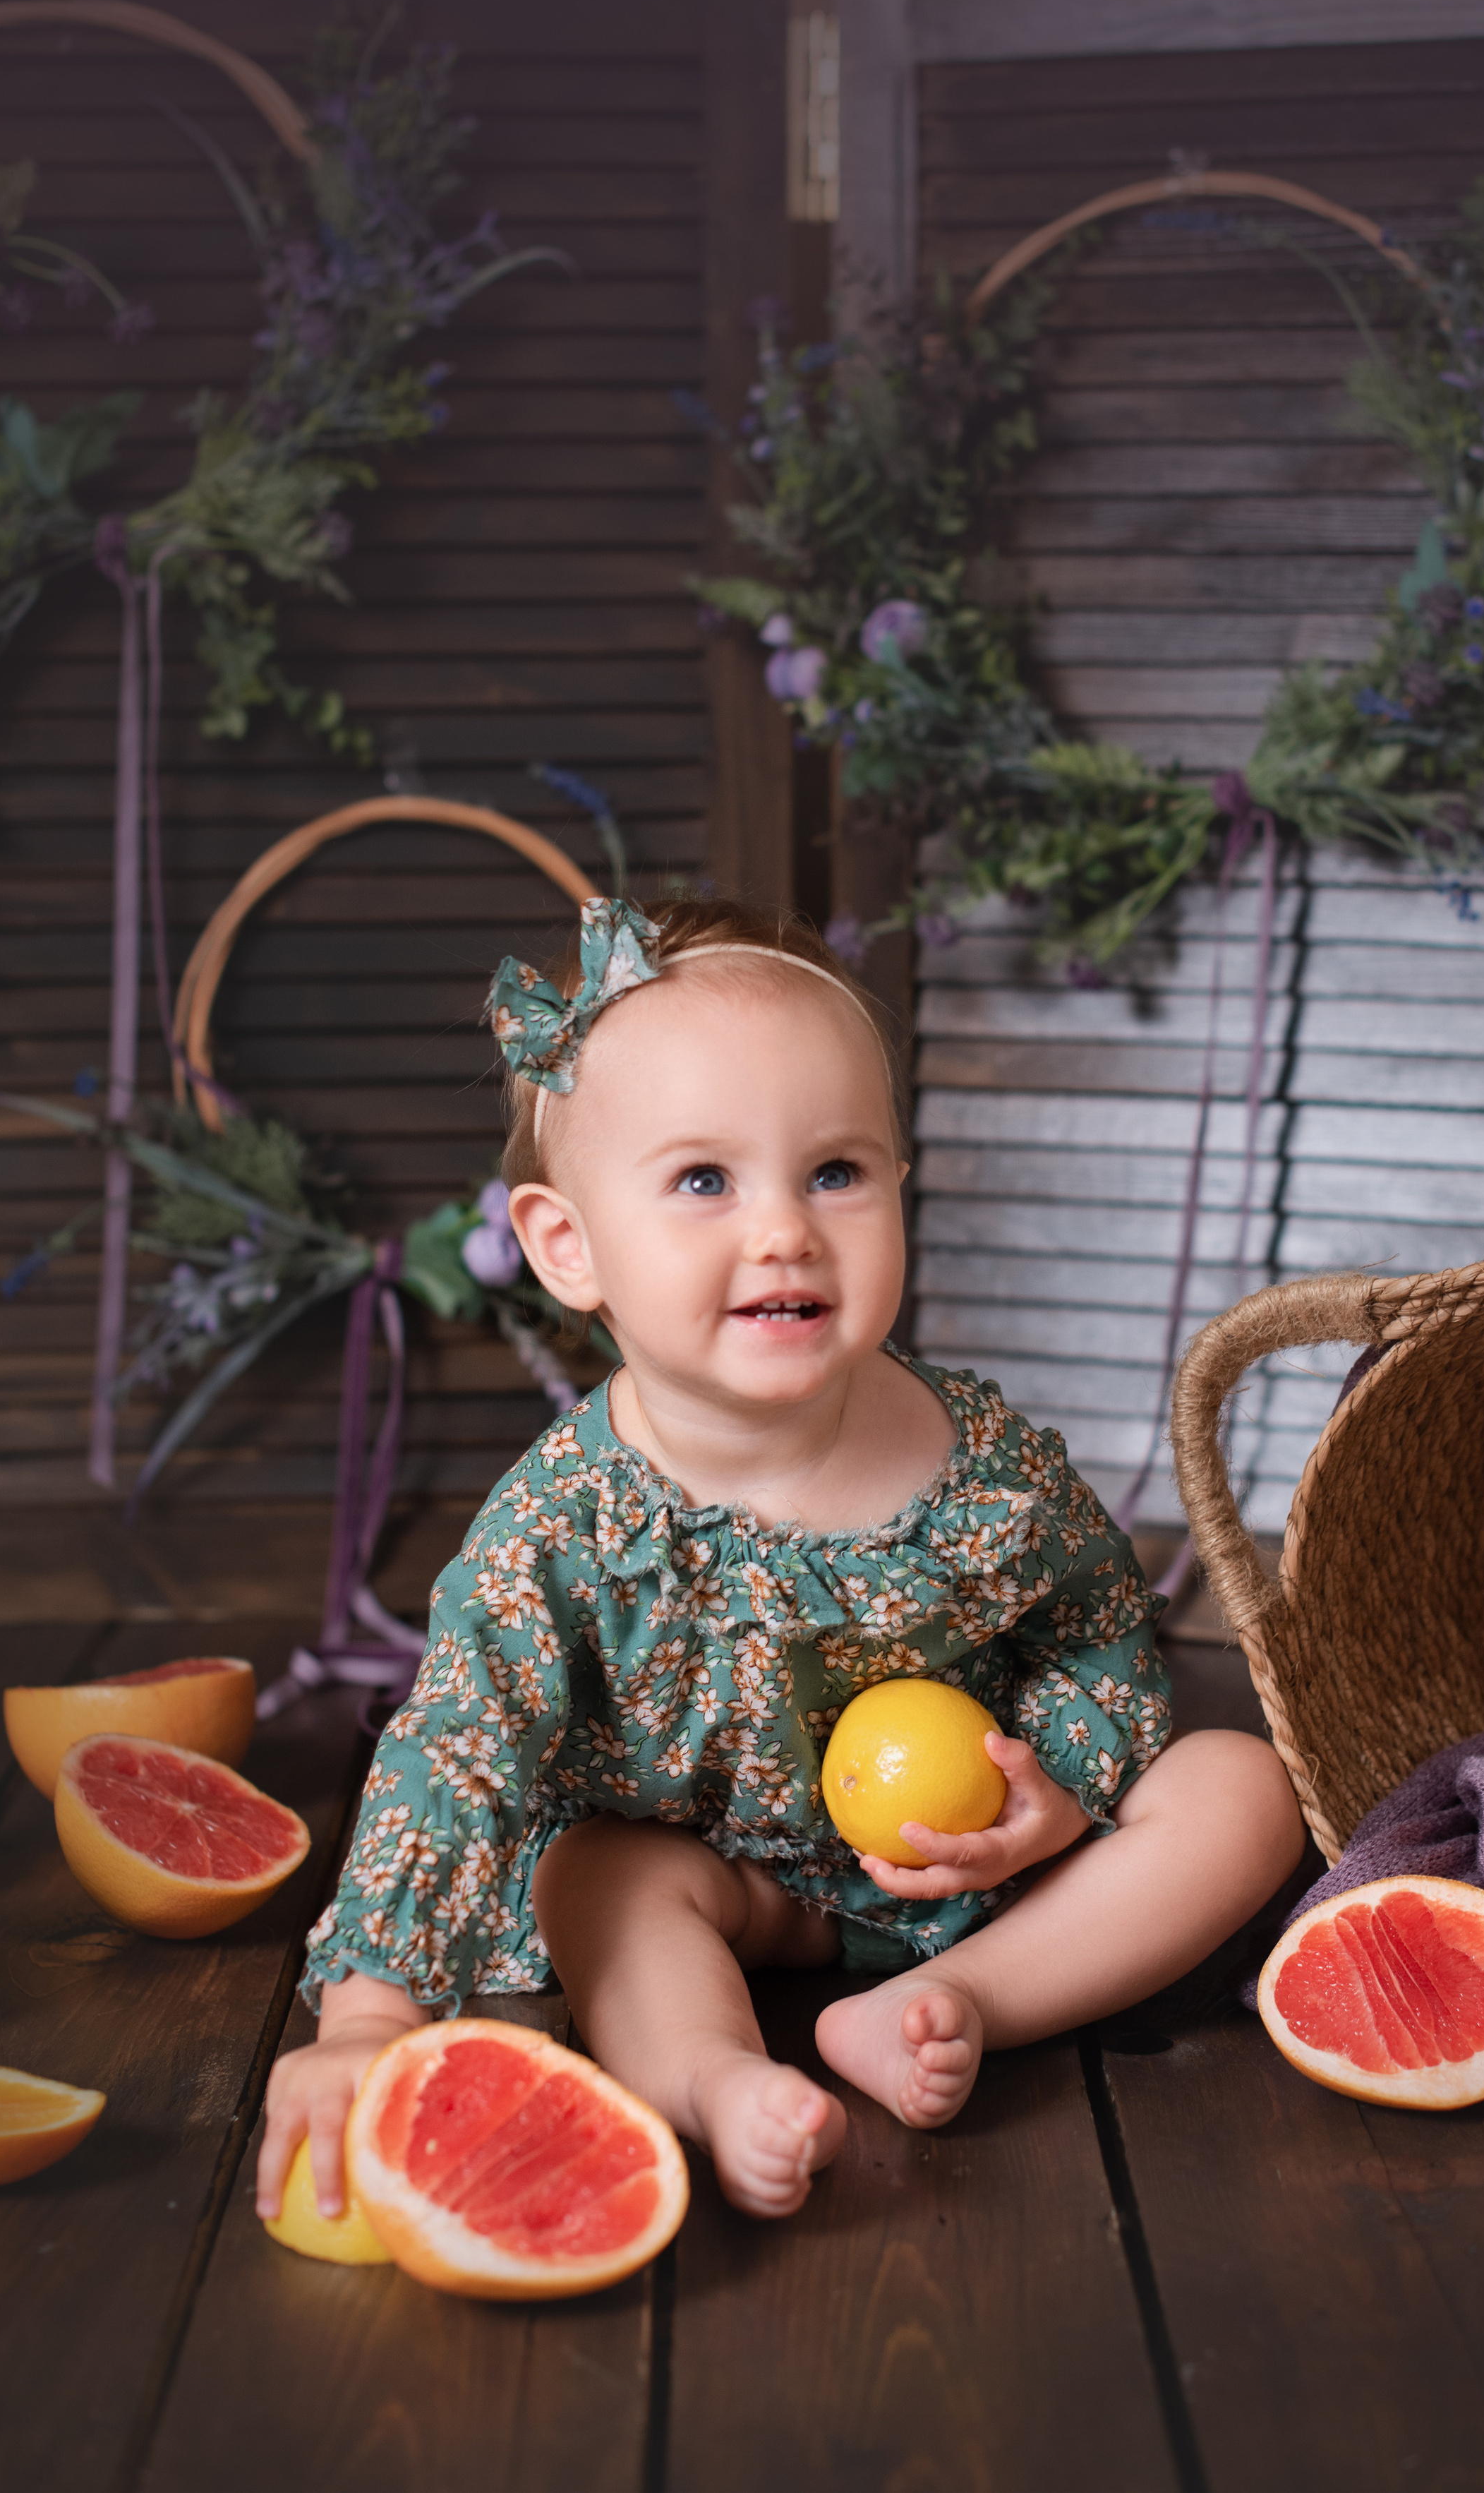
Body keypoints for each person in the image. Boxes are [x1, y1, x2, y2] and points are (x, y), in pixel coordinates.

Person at [256, 894, 1303, 2224]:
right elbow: (458, 1746)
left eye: (836, 1172)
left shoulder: (982, 1461)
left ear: (897, 1191)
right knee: (595, 1872)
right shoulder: (566, 1527)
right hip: (721, 1881)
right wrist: (366, 2015)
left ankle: (958, 1999)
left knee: (1241, 1786)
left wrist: (1058, 1792)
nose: (785, 1231)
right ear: (567, 1246)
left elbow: (1095, 1630)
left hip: (967, 1866)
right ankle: (711, 2075)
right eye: (705, 1180)